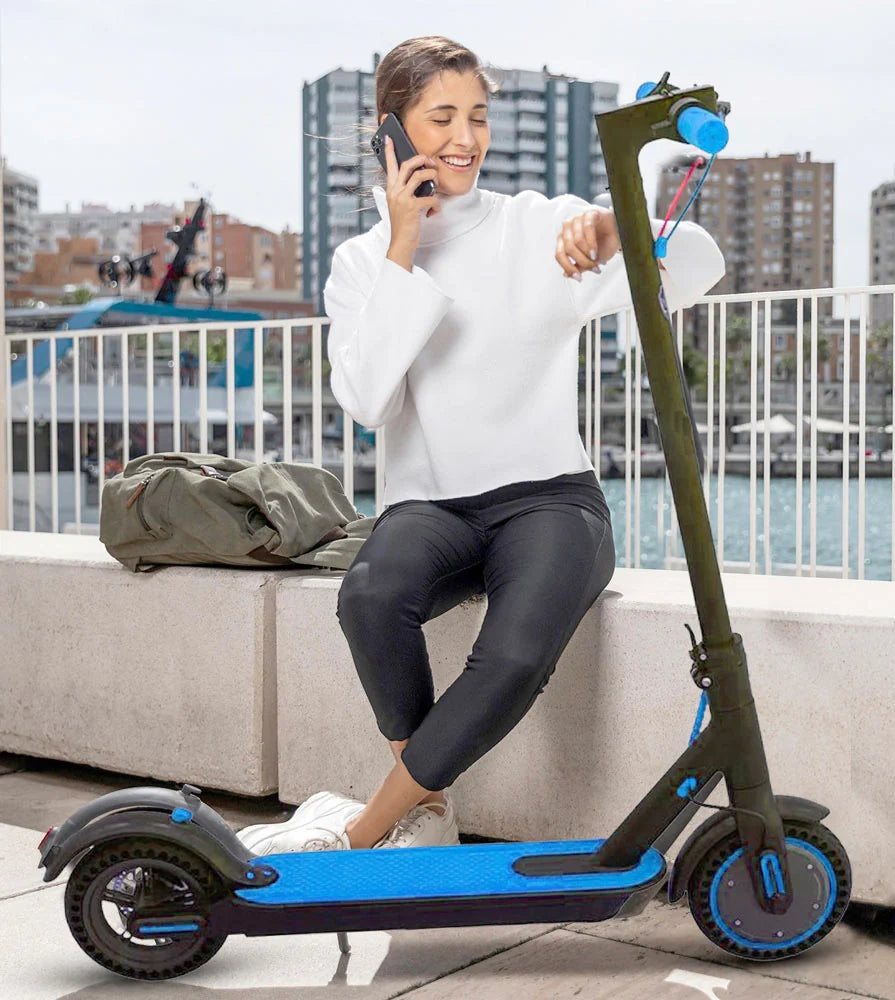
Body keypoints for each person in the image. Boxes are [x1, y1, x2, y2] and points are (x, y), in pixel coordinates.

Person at [237, 35, 723, 855]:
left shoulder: (538, 225)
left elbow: (700, 265)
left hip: (551, 499)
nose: (465, 138)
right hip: (431, 508)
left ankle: (367, 829)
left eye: (478, 117)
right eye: (441, 118)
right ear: (393, 131)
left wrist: (618, 231)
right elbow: (367, 400)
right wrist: (402, 245)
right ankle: (426, 806)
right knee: (368, 600)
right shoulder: (361, 263)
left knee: (513, 657)